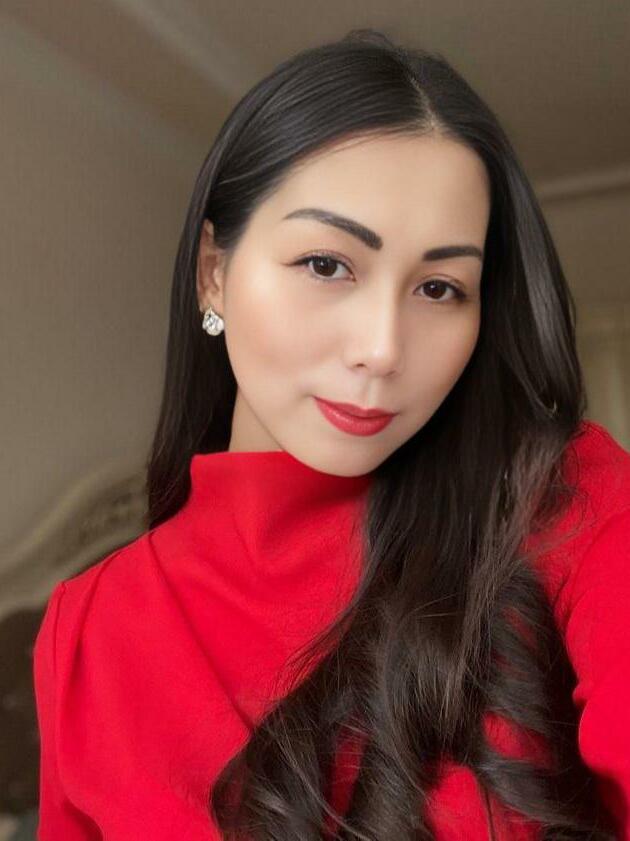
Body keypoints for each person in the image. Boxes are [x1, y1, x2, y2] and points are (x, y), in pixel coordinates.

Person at [33, 28, 630, 841]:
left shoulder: (562, 498)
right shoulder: (88, 629)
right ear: (214, 271)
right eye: (326, 264)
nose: (382, 349)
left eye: (439, 287)